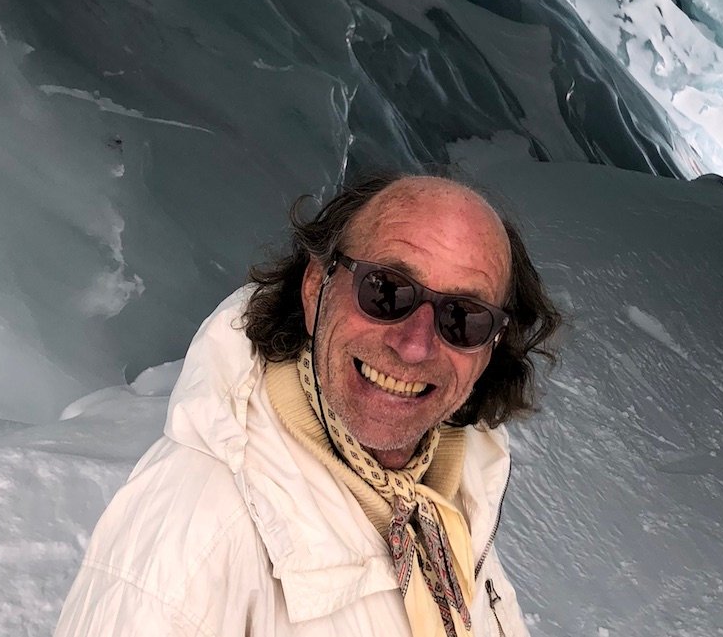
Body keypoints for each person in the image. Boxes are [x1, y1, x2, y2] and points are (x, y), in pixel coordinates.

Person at [55, 173, 561, 637]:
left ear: (491, 345)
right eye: (386, 291)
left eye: (464, 318)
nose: (415, 345)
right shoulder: (199, 528)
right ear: (317, 288)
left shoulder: (450, 501)